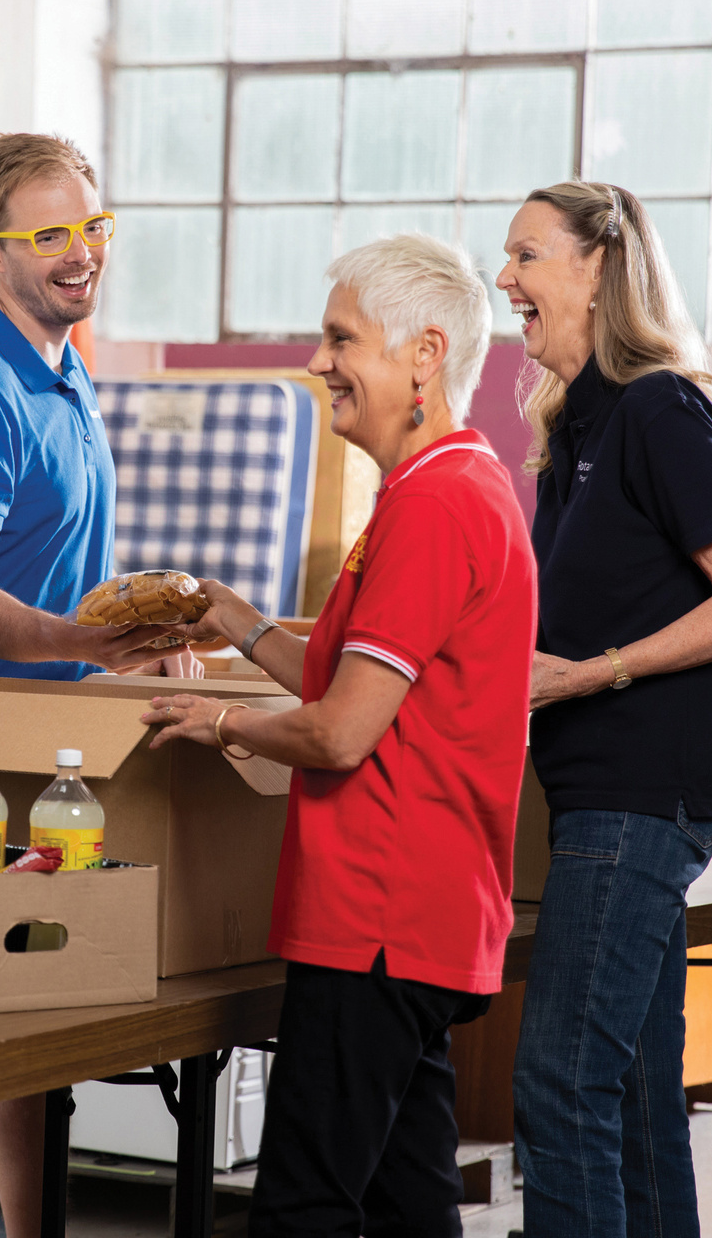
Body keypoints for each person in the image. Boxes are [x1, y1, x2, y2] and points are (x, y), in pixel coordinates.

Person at [139, 234, 535, 1238]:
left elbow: (341, 731)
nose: (319, 362)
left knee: (303, 1205)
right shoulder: (435, 486)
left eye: (340, 337)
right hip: (411, 923)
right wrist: (231, 617)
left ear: (424, 353)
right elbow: (345, 678)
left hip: (379, 919)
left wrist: (219, 720)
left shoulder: (438, 504)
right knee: (407, 1200)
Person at [0, 133, 197, 1238]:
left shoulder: (64, 366)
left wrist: (130, 631)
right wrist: (89, 642)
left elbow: (52, 565)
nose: (79, 253)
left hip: (48, 743)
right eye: (48, 233)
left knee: (21, 1017)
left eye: (92, 228)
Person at [498, 180, 712, 1238]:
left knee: (559, 1082)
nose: (506, 279)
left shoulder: (660, 406)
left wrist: (588, 673)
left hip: (643, 788)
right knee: (629, 1091)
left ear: (599, 269)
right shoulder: (572, 428)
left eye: (528, 256)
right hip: (600, 789)